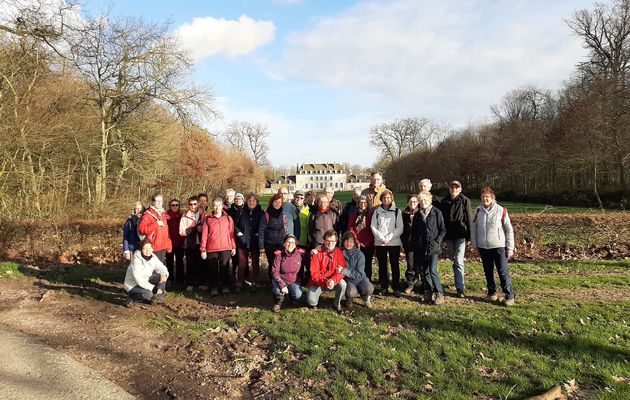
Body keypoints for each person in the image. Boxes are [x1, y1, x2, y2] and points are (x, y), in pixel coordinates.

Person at [470, 187, 516, 306]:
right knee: (488, 271)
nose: (485, 199)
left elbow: (509, 230)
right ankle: (492, 293)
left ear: (492, 198)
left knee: (503, 271)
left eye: (487, 197)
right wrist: (475, 245)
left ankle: (509, 296)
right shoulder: (478, 211)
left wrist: (510, 247)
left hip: (499, 246)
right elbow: (473, 228)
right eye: (483, 197)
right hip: (483, 247)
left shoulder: (501, 210)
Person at [410, 191, 447, 305]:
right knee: (424, 271)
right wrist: (416, 243)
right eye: (421, 201)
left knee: (433, 270)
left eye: (425, 200)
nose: (423, 202)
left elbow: (442, 229)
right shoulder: (417, 215)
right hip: (421, 247)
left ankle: (439, 293)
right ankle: (428, 292)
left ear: (430, 200)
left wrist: (437, 241)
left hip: (433, 247)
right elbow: (414, 232)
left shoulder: (436, 213)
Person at [439, 180, 473, 298]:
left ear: (460, 189)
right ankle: (457, 278)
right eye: (452, 187)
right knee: (455, 260)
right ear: (449, 189)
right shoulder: (444, 201)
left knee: (458, 260)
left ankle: (460, 288)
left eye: (456, 188)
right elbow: (441, 219)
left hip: (461, 235)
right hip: (448, 236)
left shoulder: (465, 201)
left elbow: (469, 218)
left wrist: (469, 236)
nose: (454, 189)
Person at [200, 198, 236, 296]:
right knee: (212, 269)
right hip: (212, 248)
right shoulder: (208, 219)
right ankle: (214, 287)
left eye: (219, 205)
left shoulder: (228, 218)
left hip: (226, 247)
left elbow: (232, 234)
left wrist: (233, 247)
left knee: (225, 268)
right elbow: (204, 235)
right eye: (215, 205)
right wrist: (203, 249)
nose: (217, 208)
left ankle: (225, 286)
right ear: (212, 206)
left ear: (222, 206)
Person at [371, 189, 404, 296]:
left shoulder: (397, 211)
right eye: (384, 197)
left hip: (394, 242)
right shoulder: (376, 211)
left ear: (392, 199)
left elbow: (400, 228)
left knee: (395, 265)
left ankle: (396, 287)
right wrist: (381, 238)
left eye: (388, 197)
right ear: (381, 199)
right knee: (382, 265)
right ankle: (383, 286)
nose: (386, 199)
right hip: (380, 243)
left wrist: (389, 237)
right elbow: (373, 226)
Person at [307, 230, 347, 311]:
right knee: (311, 302)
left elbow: (341, 271)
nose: (330, 243)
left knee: (343, 284)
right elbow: (314, 274)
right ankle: (314, 302)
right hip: (318, 282)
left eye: (332, 241)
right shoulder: (316, 253)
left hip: (332, 281)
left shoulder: (339, 252)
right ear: (324, 241)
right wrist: (325, 281)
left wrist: (333, 280)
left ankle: (337, 304)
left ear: (336, 242)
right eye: (327, 241)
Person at [123, 239, 168, 307]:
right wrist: (154, 289)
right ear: (141, 249)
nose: (148, 251)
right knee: (149, 294)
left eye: (149, 248)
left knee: (160, 277)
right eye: (145, 249)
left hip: (146, 280)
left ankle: (158, 298)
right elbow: (139, 280)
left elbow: (161, 267)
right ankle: (132, 298)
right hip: (133, 284)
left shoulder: (153, 257)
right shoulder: (136, 260)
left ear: (152, 248)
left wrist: (164, 274)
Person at [235, 193, 263, 292]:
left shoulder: (261, 213)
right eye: (249, 201)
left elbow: (263, 226)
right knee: (242, 263)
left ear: (257, 202)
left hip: (255, 242)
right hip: (243, 242)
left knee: (255, 263)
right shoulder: (242, 212)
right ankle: (240, 282)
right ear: (246, 202)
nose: (251, 202)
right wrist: (240, 234)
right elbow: (235, 225)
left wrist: (258, 234)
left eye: (253, 201)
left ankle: (254, 281)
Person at [271, 234, 306, 312]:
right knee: (278, 292)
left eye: (293, 242)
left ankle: (292, 297)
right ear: (284, 243)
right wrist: (282, 285)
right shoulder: (279, 255)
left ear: (295, 244)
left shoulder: (300, 254)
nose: (290, 244)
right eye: (288, 242)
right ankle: (278, 303)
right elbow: (274, 272)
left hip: (294, 281)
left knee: (298, 296)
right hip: (281, 280)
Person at [341, 232, 374, 309]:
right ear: (343, 242)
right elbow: (328, 248)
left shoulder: (360, 255)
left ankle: (366, 299)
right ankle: (349, 299)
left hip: (361, 279)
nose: (348, 243)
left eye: (351, 241)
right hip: (349, 281)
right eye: (346, 241)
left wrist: (344, 271)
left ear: (354, 243)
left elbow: (359, 273)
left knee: (369, 288)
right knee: (350, 292)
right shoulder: (340, 253)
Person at [259, 193, 288, 280]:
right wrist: (261, 246)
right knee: (272, 264)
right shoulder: (266, 215)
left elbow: (285, 229)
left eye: (280, 202)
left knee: (281, 264)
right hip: (270, 244)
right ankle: (272, 282)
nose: (278, 204)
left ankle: (280, 282)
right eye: (276, 202)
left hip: (280, 244)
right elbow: (261, 231)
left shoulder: (283, 215)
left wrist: (286, 243)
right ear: (272, 202)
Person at [138, 193, 172, 264]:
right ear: (153, 202)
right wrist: (156, 224)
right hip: (153, 247)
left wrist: (168, 245)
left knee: (159, 269)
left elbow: (166, 232)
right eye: (157, 201)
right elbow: (141, 229)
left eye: (161, 201)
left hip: (163, 247)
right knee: (152, 271)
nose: (159, 203)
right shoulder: (147, 215)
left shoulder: (163, 214)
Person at [348, 195, 375, 282]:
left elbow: (372, 230)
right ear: (358, 203)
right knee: (355, 264)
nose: (363, 204)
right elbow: (351, 228)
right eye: (361, 202)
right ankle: (356, 281)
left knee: (367, 264)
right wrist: (357, 242)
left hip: (368, 244)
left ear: (367, 204)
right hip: (356, 244)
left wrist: (365, 243)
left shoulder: (370, 215)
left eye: (365, 202)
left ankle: (367, 281)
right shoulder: (354, 215)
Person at [179, 196, 203, 291]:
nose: (193, 206)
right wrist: (194, 229)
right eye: (191, 204)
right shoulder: (185, 216)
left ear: (198, 204)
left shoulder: (203, 214)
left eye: (195, 204)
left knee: (201, 263)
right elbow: (181, 232)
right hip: (189, 243)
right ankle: (190, 283)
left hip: (201, 242)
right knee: (190, 264)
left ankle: (201, 282)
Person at [401, 195, 420, 294]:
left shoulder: (421, 213)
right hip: (408, 243)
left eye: (415, 202)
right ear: (408, 203)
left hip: (420, 243)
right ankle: (410, 283)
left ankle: (419, 282)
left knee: (420, 264)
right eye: (411, 202)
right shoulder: (404, 214)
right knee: (410, 264)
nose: (413, 203)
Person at [165, 199, 185, 286]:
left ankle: (180, 279)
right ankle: (170, 279)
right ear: (170, 206)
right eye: (173, 205)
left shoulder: (182, 216)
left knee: (179, 261)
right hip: (169, 242)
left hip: (179, 242)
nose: (175, 207)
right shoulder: (166, 216)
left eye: (177, 205)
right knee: (169, 262)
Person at [228, 193, 245, 281]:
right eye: (237, 199)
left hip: (244, 236)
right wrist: (237, 231)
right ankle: (234, 274)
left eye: (240, 199)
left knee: (243, 257)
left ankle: (244, 274)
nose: (238, 201)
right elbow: (230, 224)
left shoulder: (245, 209)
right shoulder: (230, 210)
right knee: (235, 257)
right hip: (233, 236)